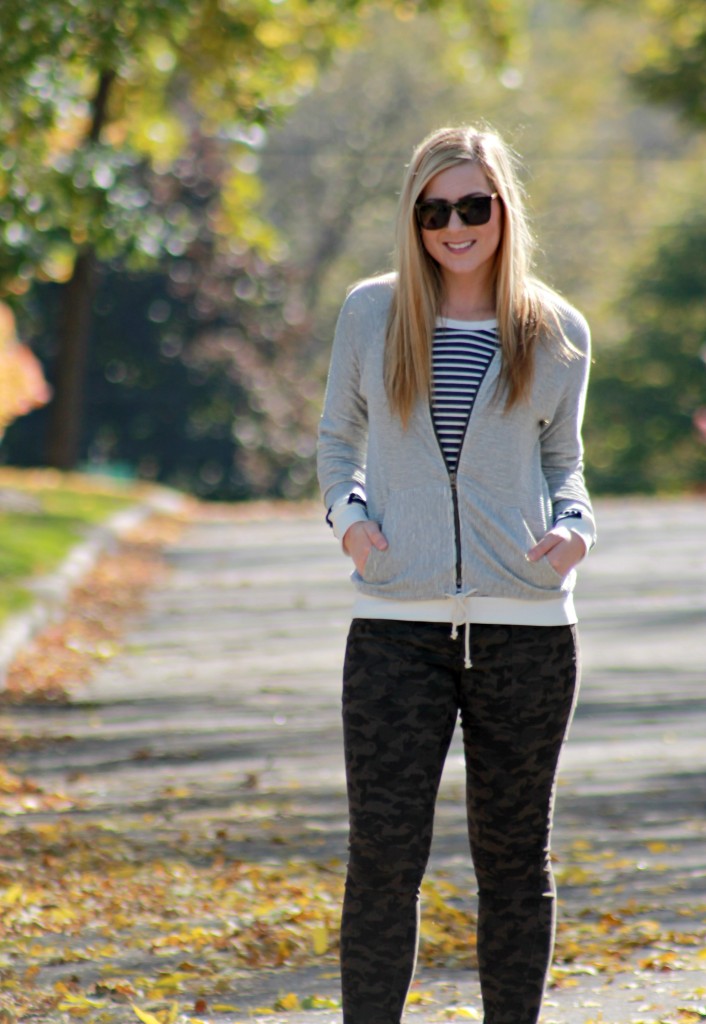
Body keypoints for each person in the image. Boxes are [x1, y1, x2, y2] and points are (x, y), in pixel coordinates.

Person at [317, 124, 596, 1024]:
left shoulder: (555, 329)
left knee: (515, 862)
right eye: (434, 210)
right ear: (415, 218)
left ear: (503, 208)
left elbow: (566, 463)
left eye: (473, 205)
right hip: (396, 625)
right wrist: (353, 527)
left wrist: (577, 528)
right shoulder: (371, 312)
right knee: (384, 861)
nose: (454, 225)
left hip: (528, 632)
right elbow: (336, 441)